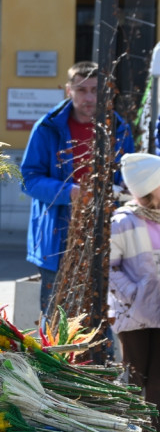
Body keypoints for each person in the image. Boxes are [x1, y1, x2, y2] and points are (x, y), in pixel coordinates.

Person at [20, 61, 135, 315]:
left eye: (95, 89)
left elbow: (131, 179)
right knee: (56, 316)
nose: (89, 97)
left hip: (106, 236)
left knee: (101, 316)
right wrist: (70, 192)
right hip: (57, 239)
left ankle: (98, 356)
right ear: (68, 90)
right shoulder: (47, 128)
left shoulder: (118, 129)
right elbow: (28, 179)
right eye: (82, 90)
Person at [109, 153, 160, 432]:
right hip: (135, 317)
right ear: (149, 188)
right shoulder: (123, 221)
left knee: (158, 385)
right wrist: (134, 293)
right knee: (132, 381)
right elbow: (108, 267)